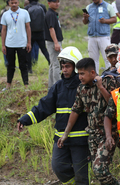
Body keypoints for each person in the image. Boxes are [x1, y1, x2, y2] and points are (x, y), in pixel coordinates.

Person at [17, 47, 90, 184]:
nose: (64, 69)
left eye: (67, 66)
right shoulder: (58, 87)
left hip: (80, 141)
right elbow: (43, 107)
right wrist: (25, 119)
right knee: (58, 167)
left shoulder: (85, 87)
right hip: (61, 139)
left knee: (82, 175)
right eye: (62, 66)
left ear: (75, 66)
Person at [57, 58, 119, 185]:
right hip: (93, 135)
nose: (79, 77)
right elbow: (75, 110)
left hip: (108, 133)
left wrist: (100, 87)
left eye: (82, 74)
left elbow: (115, 106)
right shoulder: (81, 88)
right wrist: (65, 134)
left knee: (99, 169)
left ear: (92, 73)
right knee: (97, 170)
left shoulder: (108, 82)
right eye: (78, 73)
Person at [83, 0, 117, 75]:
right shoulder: (89, 7)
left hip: (103, 36)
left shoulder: (108, 6)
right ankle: (95, 78)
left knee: (107, 58)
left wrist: (105, 21)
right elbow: (85, 22)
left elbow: (114, 19)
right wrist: (85, 18)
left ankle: (109, 76)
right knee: (93, 59)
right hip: (92, 37)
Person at [1, 0, 31, 91]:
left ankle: (26, 86)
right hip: (10, 44)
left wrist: (29, 42)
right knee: (10, 65)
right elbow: (3, 30)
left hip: (22, 43)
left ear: (18, 2)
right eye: (12, 3)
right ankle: (8, 85)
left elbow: (28, 27)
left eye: (16, 2)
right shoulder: (5, 14)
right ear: (9, 3)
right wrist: (3, 45)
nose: (14, 4)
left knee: (23, 65)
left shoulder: (24, 13)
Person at [24, 0, 50, 74]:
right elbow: (46, 18)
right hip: (41, 33)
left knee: (28, 50)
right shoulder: (42, 7)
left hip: (30, 34)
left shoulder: (26, 8)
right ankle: (51, 64)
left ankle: (29, 69)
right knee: (44, 49)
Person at [45, 0, 63, 89]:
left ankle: (51, 86)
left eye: (58, 2)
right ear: (49, 3)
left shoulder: (53, 13)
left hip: (52, 41)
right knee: (56, 64)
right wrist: (56, 43)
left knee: (53, 64)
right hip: (53, 42)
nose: (57, 4)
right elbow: (51, 29)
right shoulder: (50, 14)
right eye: (54, 2)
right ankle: (57, 86)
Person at [0, 0, 10, 67]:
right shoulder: (4, 13)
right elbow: (0, 26)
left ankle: (10, 63)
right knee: (5, 48)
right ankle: (6, 63)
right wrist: (3, 33)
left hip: (12, 34)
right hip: (5, 35)